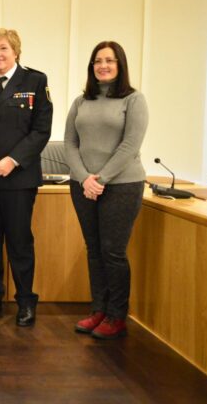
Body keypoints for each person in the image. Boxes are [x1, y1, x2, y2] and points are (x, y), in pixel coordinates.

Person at [0, 28, 52, 327]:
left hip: (18, 180)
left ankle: (26, 301)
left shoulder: (35, 81)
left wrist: (12, 160)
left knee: (19, 242)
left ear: (15, 51)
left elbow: (41, 130)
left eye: (3, 48)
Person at [65, 41, 148, 339]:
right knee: (94, 250)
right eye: (98, 61)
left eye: (109, 61)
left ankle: (116, 316)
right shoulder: (81, 101)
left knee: (113, 251)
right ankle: (98, 310)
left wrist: (100, 179)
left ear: (120, 65)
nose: (103, 65)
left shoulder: (133, 100)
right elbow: (70, 143)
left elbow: (130, 145)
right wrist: (84, 178)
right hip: (83, 186)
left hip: (122, 185)